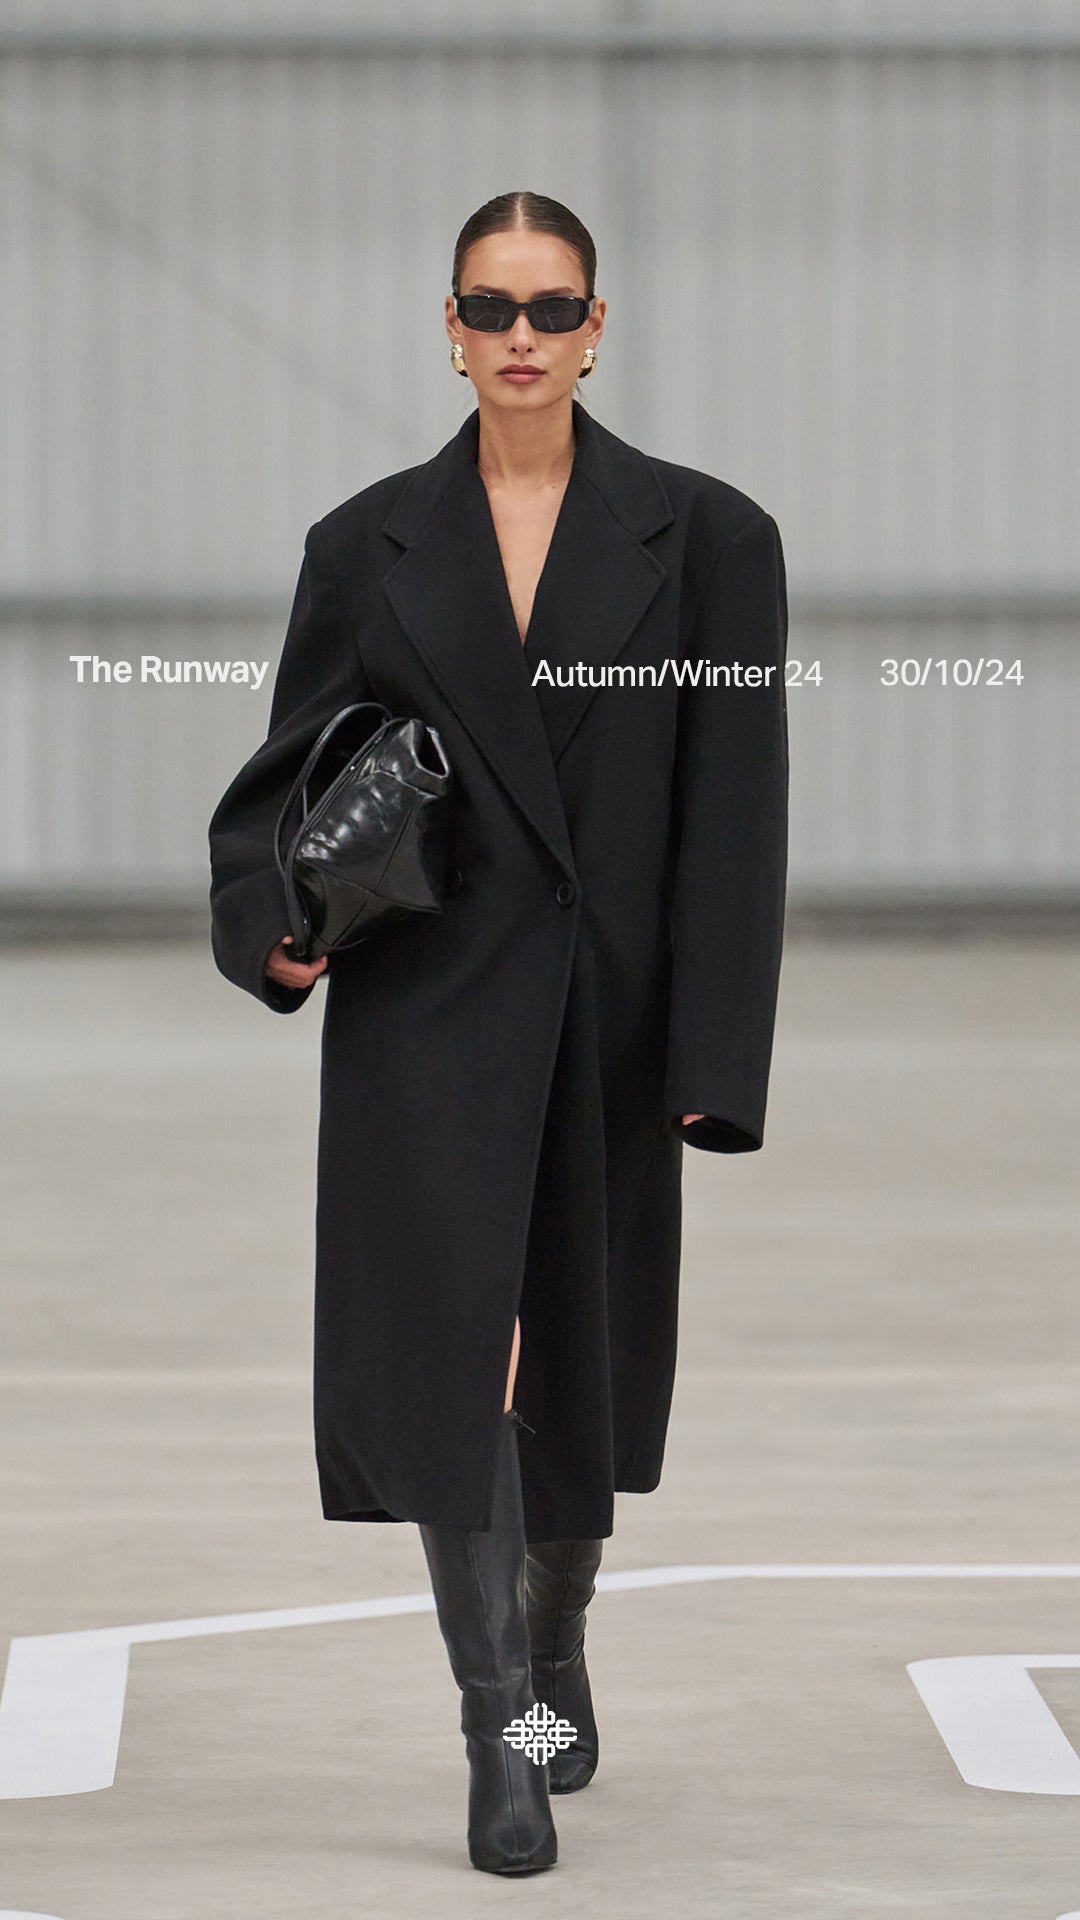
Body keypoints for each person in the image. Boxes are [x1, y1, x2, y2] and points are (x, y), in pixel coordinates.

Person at [208, 189, 789, 1877]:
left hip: (607, 1019)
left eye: (549, 308)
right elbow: (294, 771)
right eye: (489, 306)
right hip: (428, 1008)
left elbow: (734, 811)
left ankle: (554, 1639)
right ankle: (500, 1739)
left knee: (575, 1387)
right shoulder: (365, 543)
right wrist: (277, 931)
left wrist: (714, 1057)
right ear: (448, 329)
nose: (519, 336)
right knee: (460, 1368)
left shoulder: (711, 538)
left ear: (596, 330)